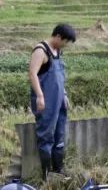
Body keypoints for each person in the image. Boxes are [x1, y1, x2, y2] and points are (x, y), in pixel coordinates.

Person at [29, 23, 76, 180]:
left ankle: (59, 171)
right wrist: (40, 96)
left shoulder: (58, 51)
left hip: (59, 100)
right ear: (58, 37)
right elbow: (33, 74)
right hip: (47, 101)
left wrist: (64, 94)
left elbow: (59, 76)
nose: (66, 45)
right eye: (65, 42)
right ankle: (46, 174)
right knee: (46, 136)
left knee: (59, 136)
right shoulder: (40, 50)